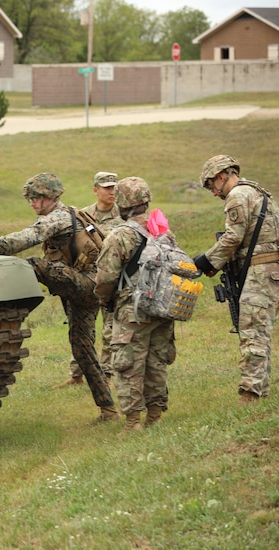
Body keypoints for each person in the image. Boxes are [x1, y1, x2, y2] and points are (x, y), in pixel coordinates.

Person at [0, 172, 118, 423]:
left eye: (36, 198)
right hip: (89, 289)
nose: (32, 203)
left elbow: (27, 238)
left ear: (50, 197)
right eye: (29, 199)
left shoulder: (59, 217)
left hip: (85, 285)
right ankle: (108, 410)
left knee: (33, 264)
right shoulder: (73, 214)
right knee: (82, 348)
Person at [193, 155, 279, 404]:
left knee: (252, 332)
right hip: (268, 271)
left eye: (212, 186)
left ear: (221, 176)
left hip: (259, 272)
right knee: (260, 331)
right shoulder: (259, 192)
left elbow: (233, 237)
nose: (213, 193)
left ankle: (251, 393)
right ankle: (260, 387)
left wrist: (207, 261)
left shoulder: (238, 196)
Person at [94, 177, 177, 432]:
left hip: (133, 310)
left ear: (122, 203)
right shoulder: (163, 231)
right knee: (156, 362)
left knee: (128, 364)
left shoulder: (120, 235)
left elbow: (105, 277)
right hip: (163, 306)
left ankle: (132, 423)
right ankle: (155, 417)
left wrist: (105, 301)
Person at [60, 171, 123, 387]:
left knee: (110, 328)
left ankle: (105, 374)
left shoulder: (124, 215)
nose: (111, 191)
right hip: (87, 279)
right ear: (96, 190)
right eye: (106, 187)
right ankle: (77, 374)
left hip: (113, 279)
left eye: (114, 187)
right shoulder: (84, 216)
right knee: (81, 328)